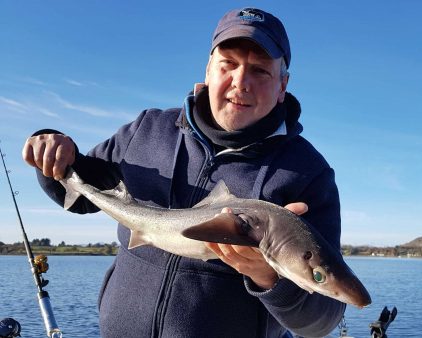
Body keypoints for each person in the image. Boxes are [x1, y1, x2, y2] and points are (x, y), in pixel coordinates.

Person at [22, 7, 345, 338]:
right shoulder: (147, 129)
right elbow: (78, 195)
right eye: (228, 64)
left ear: (282, 86)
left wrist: (270, 278)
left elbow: (323, 319)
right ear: (208, 71)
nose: (241, 82)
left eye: (260, 71)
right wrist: (54, 152)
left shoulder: (308, 174)